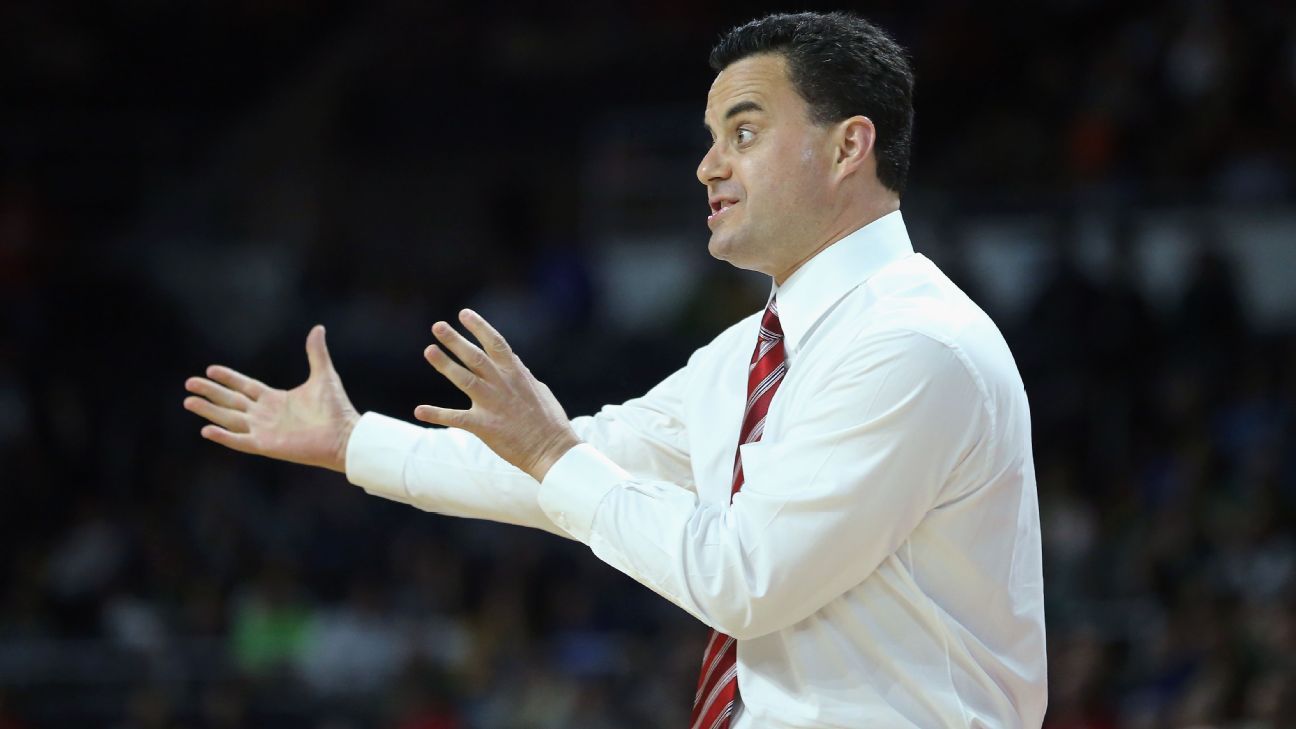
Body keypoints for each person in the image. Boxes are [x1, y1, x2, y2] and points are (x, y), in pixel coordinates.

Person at [182, 11, 1047, 728]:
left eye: (744, 133)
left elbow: (744, 580)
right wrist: (354, 443)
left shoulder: (913, 345)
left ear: (848, 146)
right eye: (711, 138)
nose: (708, 165)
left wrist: (554, 455)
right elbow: (567, 461)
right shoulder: (750, 353)